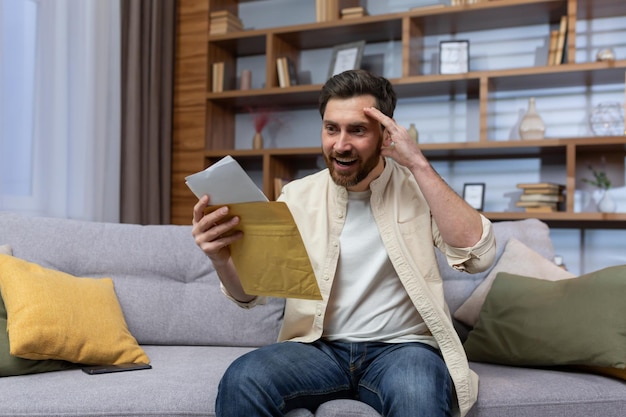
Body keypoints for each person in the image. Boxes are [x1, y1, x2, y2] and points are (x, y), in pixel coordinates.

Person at [192, 69, 496, 417]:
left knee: (418, 393)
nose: (340, 144)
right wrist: (219, 258)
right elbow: (252, 294)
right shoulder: (296, 196)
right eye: (331, 128)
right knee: (243, 377)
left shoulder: (418, 189)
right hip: (317, 350)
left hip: (403, 349)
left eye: (358, 130)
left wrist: (417, 164)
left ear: (386, 133)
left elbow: (479, 256)